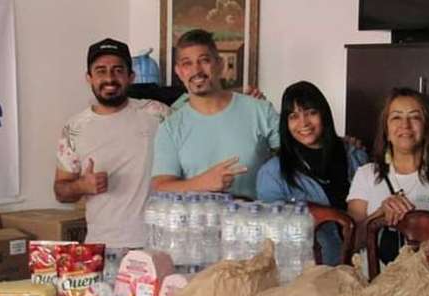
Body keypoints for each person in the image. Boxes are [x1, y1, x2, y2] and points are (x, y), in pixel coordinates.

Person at [54, 38, 169, 262]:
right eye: (101, 71)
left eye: (118, 70)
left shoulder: (157, 113)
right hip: (103, 249)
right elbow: (60, 192)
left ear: (131, 76)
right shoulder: (73, 128)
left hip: (157, 246)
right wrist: (82, 185)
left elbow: (198, 118)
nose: (109, 78)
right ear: (89, 78)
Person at [151, 29, 280, 199]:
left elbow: (296, 160)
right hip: (195, 224)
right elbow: (161, 186)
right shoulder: (170, 127)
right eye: (187, 63)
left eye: (204, 61)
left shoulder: (260, 111)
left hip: (255, 221)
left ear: (219, 64)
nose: (196, 70)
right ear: (179, 71)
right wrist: (203, 183)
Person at [256, 81, 367, 264]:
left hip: (360, 267)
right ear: (286, 122)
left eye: (311, 113)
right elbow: (273, 237)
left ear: (324, 114)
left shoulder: (355, 156)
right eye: (294, 116)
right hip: (307, 274)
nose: (304, 123)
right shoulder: (272, 173)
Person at [347, 88, 429, 263]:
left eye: (414, 117)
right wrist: (378, 215)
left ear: (427, 127)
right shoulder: (366, 174)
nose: (405, 125)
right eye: (396, 117)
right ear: (386, 129)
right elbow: (352, 244)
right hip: (374, 285)